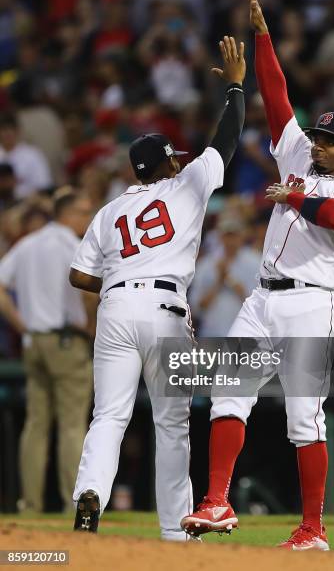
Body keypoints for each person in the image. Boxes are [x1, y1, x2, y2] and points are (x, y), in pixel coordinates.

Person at [181, 0, 334, 551]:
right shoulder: (296, 151)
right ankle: (216, 500)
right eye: (317, 136)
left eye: (330, 141)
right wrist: (263, 38)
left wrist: (295, 199)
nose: (317, 144)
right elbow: (277, 96)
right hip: (262, 297)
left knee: (303, 419)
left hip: (315, 301)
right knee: (227, 393)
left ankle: (313, 529)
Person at [70, 36, 246, 540]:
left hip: (116, 304)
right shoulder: (185, 185)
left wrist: (124, 277)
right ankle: (174, 532)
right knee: (172, 425)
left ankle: (92, 496)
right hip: (166, 308)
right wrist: (235, 85)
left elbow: (79, 276)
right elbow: (227, 141)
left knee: (109, 415)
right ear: (169, 162)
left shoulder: (109, 210)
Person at [0, 188, 96, 513]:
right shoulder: (73, 244)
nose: (87, 218)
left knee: (36, 426)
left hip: (34, 341)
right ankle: (73, 504)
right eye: (83, 212)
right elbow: (88, 293)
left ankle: (30, 504)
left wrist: (22, 324)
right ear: (67, 214)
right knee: (71, 424)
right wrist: (91, 326)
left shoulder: (28, 243)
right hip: (66, 341)